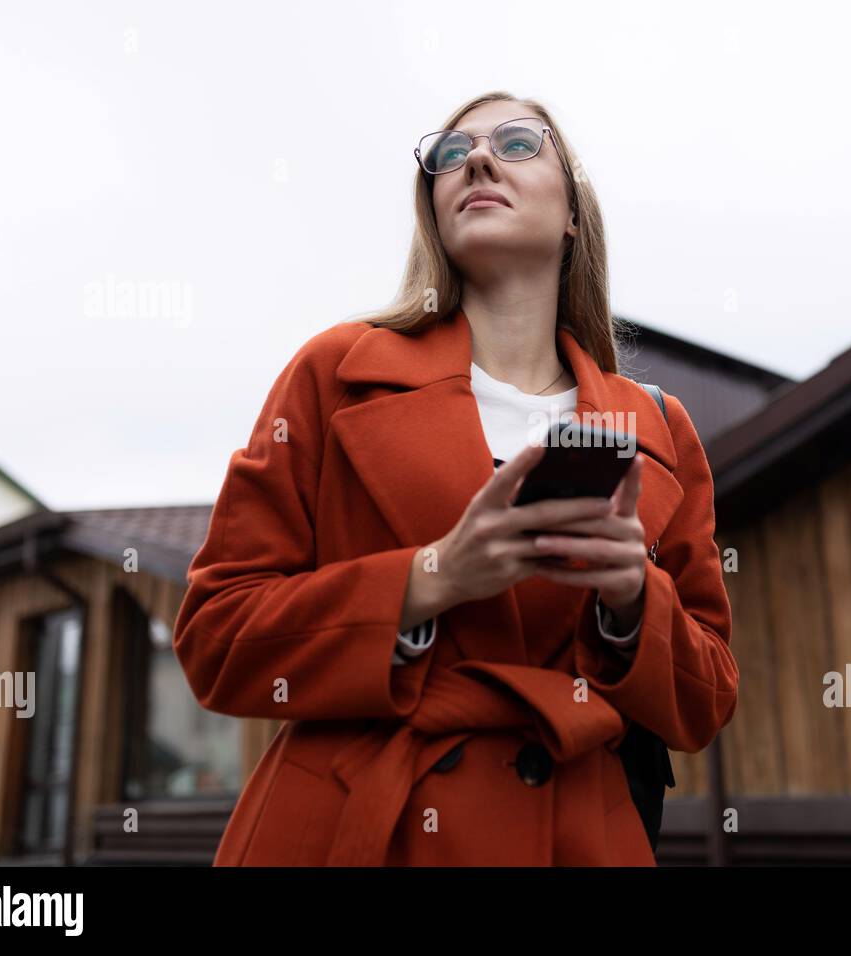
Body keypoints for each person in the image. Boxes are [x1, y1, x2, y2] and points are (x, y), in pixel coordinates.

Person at [172, 91, 738, 866]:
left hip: (581, 836)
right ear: (434, 210)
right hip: (359, 830)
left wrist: (632, 600)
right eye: (448, 153)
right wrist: (432, 578)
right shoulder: (333, 374)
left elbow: (707, 700)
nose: (474, 158)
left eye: (516, 143)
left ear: (573, 212)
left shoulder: (658, 426)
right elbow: (217, 637)